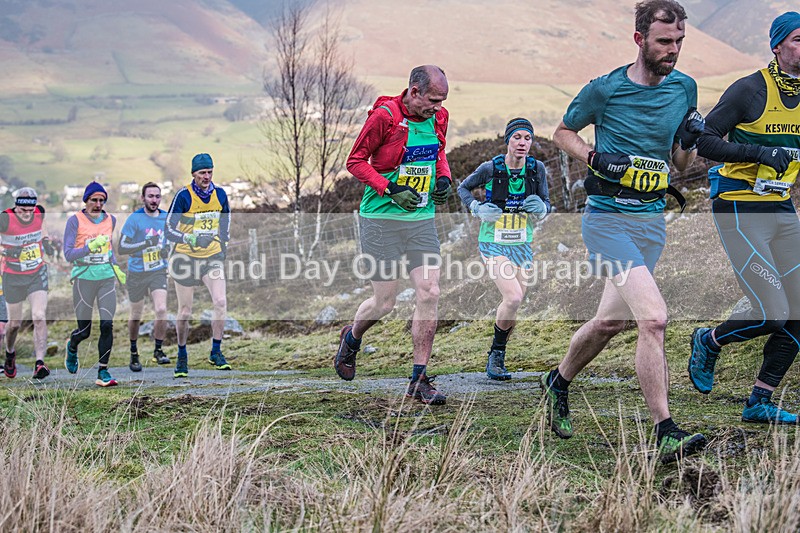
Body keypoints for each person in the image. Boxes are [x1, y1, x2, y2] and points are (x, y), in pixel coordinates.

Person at [541, 0, 707, 462]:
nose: (673, 51)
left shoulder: (684, 89)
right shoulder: (606, 89)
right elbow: (561, 133)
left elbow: (679, 161)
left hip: (650, 223)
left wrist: (689, 143)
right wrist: (595, 157)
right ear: (639, 40)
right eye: (663, 42)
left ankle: (557, 382)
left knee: (611, 321)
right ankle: (665, 430)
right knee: (652, 318)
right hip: (607, 219)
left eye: (679, 42)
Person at [689, 12, 800, 424]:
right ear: (777, 46)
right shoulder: (750, 90)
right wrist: (758, 153)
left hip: (781, 207)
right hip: (738, 207)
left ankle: (759, 401)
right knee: (773, 312)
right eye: (798, 40)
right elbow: (704, 141)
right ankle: (708, 340)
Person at [334, 65, 453, 404]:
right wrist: (390, 188)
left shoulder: (439, 118)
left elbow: (439, 152)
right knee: (385, 302)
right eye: (432, 100)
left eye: (442, 101)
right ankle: (352, 338)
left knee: (429, 291)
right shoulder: (384, 117)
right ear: (414, 92)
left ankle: (419, 379)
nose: (438, 107)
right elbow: (355, 161)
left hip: (421, 220)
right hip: (380, 219)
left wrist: (443, 178)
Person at [457, 118, 550, 380]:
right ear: (507, 140)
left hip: (522, 244)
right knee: (513, 298)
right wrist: (476, 208)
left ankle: (499, 356)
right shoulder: (491, 168)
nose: (522, 143)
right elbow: (463, 188)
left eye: (527, 138)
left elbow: (546, 202)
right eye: (517, 137)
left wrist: (542, 209)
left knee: (515, 303)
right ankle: (495, 356)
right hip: (493, 242)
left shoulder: (537, 169)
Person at [165, 153, 231, 377]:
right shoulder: (184, 196)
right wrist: (190, 238)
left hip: (211, 255)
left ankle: (216, 351)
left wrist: (223, 246)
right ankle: (182, 355)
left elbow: (225, 223)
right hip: (185, 257)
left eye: (210, 172)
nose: (207, 176)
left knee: (220, 301)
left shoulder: (220, 194)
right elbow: (168, 228)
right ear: (193, 174)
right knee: (185, 311)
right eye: (202, 172)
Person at [63, 182, 126, 387]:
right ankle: (72, 346)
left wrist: (116, 268)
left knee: (107, 324)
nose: (98, 204)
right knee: (85, 330)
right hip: (83, 279)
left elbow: (109, 250)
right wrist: (89, 247)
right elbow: (68, 254)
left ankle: (103, 372)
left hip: (106, 278)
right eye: (94, 200)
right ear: (86, 201)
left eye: (101, 200)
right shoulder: (75, 221)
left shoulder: (111, 220)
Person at [118, 182, 171, 372]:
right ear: (143, 198)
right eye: (150, 196)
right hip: (137, 272)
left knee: (162, 309)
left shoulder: (166, 217)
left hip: (157, 270)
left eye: (157, 196)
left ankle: (158, 350)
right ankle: (134, 352)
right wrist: (145, 243)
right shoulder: (135, 219)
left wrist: (167, 250)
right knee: (136, 315)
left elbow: (172, 240)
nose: (154, 200)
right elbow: (122, 247)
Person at [0, 187, 52, 380]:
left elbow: (41, 223)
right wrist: (6, 252)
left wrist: (45, 240)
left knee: (39, 315)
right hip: (12, 275)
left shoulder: (38, 212)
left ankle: (39, 363)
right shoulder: (5, 218)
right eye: (23, 211)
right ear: (16, 207)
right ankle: (10, 353)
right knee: (14, 324)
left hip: (36, 273)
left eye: (29, 210)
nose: (26, 214)